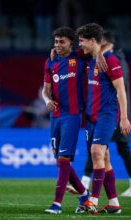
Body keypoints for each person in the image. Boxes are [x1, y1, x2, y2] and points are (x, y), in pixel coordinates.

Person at [78, 31, 131, 197]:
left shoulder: (114, 60)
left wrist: (124, 117)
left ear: (101, 42)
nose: (80, 44)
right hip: (95, 115)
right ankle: (113, 200)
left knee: (102, 150)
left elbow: (121, 89)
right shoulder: (93, 59)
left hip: (112, 112)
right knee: (103, 153)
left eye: (82, 41)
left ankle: (91, 194)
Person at [42, 26, 90, 214]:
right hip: (56, 117)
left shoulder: (79, 58)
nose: (58, 45)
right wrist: (47, 100)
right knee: (61, 162)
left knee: (63, 160)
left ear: (71, 42)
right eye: (56, 42)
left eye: (62, 41)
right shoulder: (50, 62)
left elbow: (95, 47)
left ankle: (57, 204)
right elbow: (45, 89)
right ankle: (84, 195)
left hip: (72, 114)